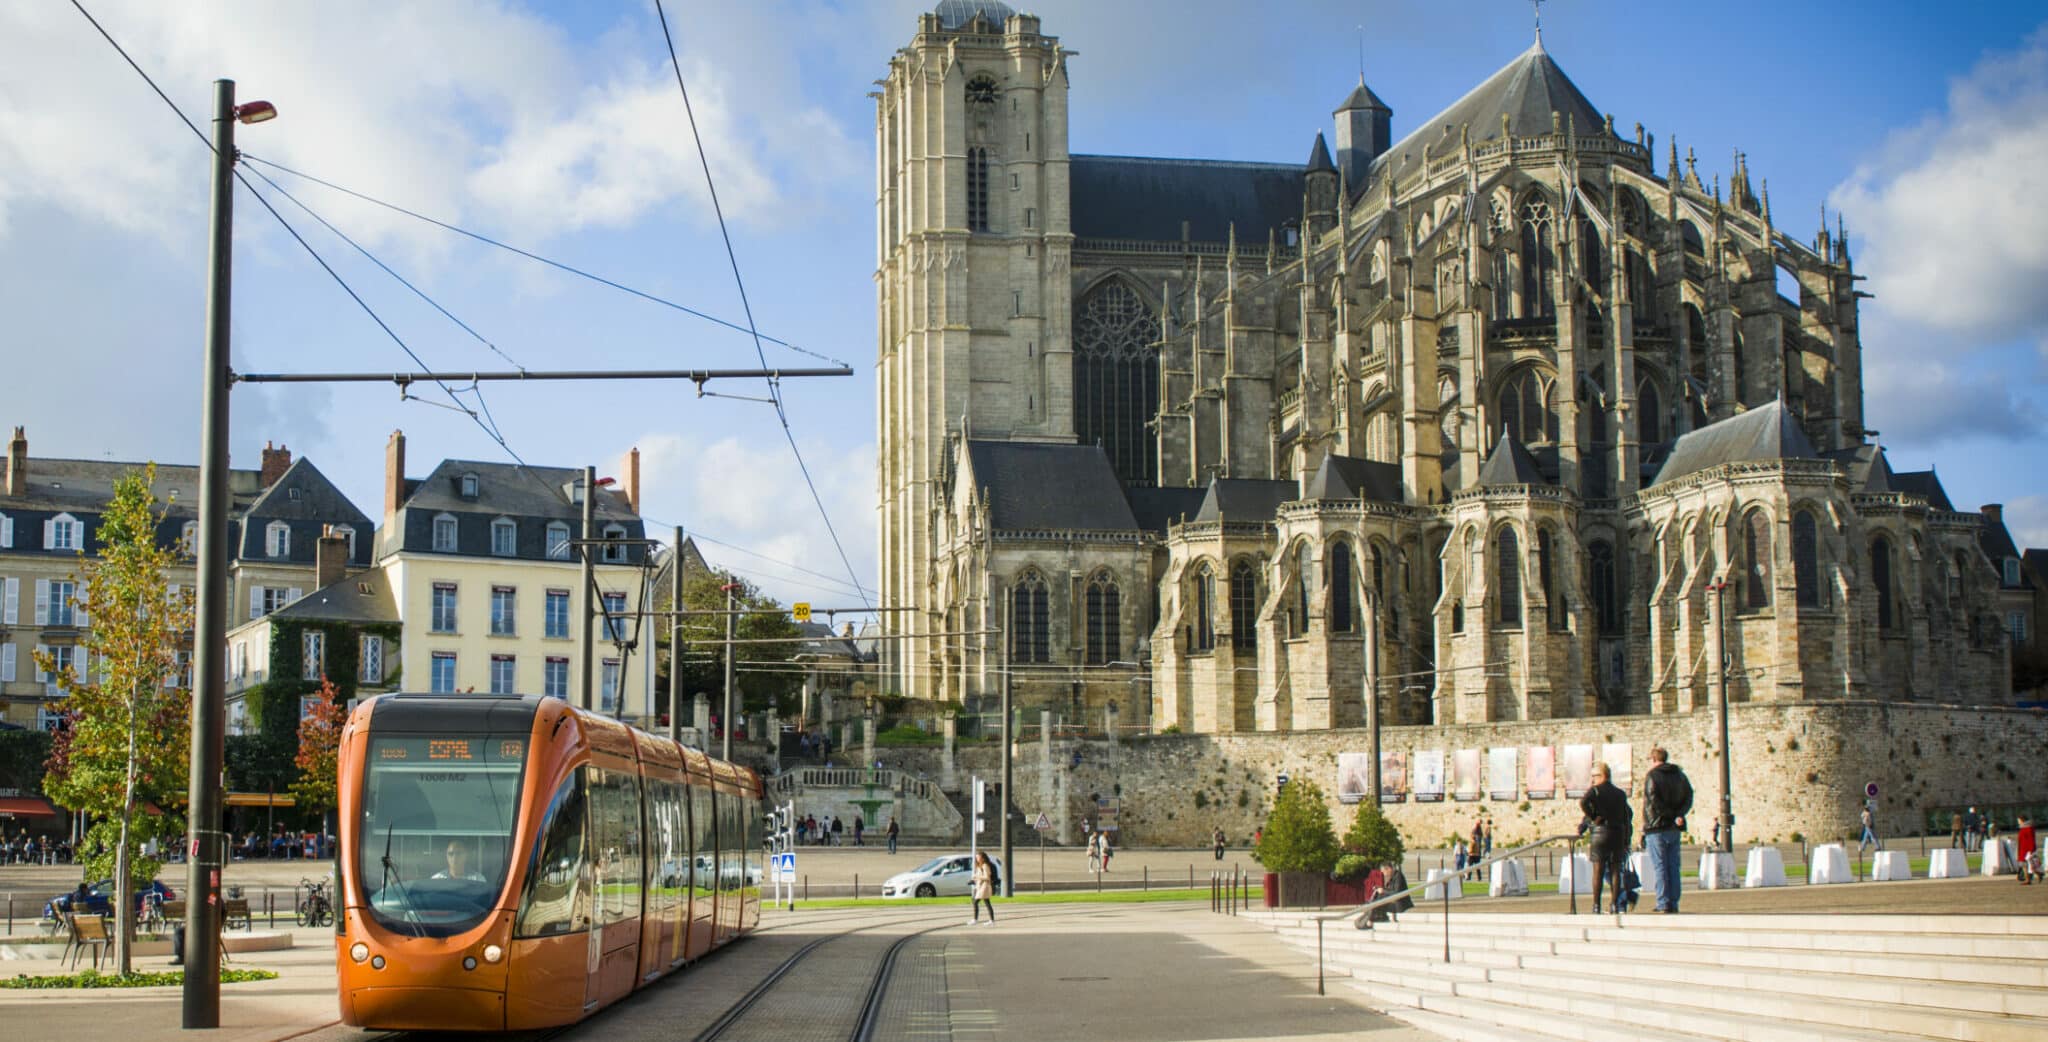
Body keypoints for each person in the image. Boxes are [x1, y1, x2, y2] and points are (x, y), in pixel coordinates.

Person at [1641, 746, 1693, 914]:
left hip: (1656, 826)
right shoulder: (1679, 775)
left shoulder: (1652, 776)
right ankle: (1674, 901)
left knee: (1660, 866)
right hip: (1673, 827)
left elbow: (1653, 800)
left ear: (1654, 759)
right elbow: (1688, 796)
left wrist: (1669, 815)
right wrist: (1679, 814)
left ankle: (1663, 901)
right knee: (1673, 866)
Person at [1577, 761, 1632, 914]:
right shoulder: (1620, 793)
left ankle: (1596, 905)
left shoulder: (1595, 791)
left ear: (1602, 775)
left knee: (1598, 870)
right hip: (1617, 832)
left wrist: (1593, 816)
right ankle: (1614, 904)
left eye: (1595, 775)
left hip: (1600, 832)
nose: (1593, 779)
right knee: (1615, 870)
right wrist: (1627, 838)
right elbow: (1626, 816)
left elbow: (1583, 802)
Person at [969, 851, 997, 924]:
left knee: (975, 902)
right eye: (976, 857)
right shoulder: (980, 866)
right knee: (986, 903)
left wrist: (977, 877)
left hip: (984, 887)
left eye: (978, 857)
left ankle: (975, 919)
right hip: (981, 886)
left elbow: (987, 877)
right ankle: (991, 920)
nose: (977, 859)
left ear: (983, 858)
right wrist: (974, 879)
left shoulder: (985, 865)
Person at [2017, 816, 2039, 885]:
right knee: (2027, 865)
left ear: (2022, 820)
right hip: (2023, 849)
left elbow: (2031, 839)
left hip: (2026, 849)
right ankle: (2035, 876)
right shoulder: (2023, 828)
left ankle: (2028, 879)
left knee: (2026, 865)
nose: (2018, 822)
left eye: (2019, 820)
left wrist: (2031, 849)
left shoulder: (2028, 828)